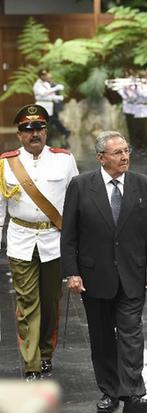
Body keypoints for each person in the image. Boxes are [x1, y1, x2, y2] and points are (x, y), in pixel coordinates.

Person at [61, 131, 147, 413]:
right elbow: (69, 234)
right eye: (117, 152)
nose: (125, 156)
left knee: (132, 334)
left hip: (132, 275)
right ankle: (109, 391)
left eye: (126, 151)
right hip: (94, 277)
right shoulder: (81, 186)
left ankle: (132, 392)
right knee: (102, 336)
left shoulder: (143, 185)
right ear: (101, 158)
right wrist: (71, 272)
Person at [0, 104, 79, 381]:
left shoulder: (64, 160)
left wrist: (78, 241)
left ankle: (46, 352)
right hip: (21, 240)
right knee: (27, 302)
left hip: (54, 241)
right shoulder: (5, 163)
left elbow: (76, 201)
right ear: (19, 135)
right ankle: (31, 363)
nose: (35, 134)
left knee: (50, 302)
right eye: (28, 129)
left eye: (39, 128)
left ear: (46, 132)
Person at [33, 69, 69, 138]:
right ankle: (63, 131)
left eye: (46, 74)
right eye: (43, 75)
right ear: (40, 76)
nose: (45, 76)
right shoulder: (37, 85)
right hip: (42, 105)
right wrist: (56, 88)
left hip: (49, 105)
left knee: (51, 120)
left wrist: (58, 97)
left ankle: (62, 132)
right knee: (45, 121)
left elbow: (50, 95)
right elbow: (43, 93)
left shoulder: (46, 84)